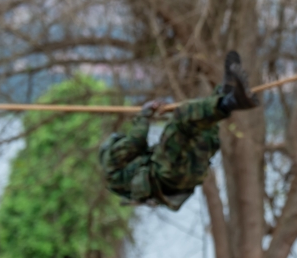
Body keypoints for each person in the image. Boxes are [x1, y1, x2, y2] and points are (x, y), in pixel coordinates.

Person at [98, 51, 258, 210]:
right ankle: (229, 100)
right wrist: (145, 114)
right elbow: (135, 141)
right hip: (167, 173)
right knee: (183, 117)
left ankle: (226, 94)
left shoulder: (121, 179)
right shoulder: (111, 161)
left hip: (189, 177)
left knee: (201, 127)